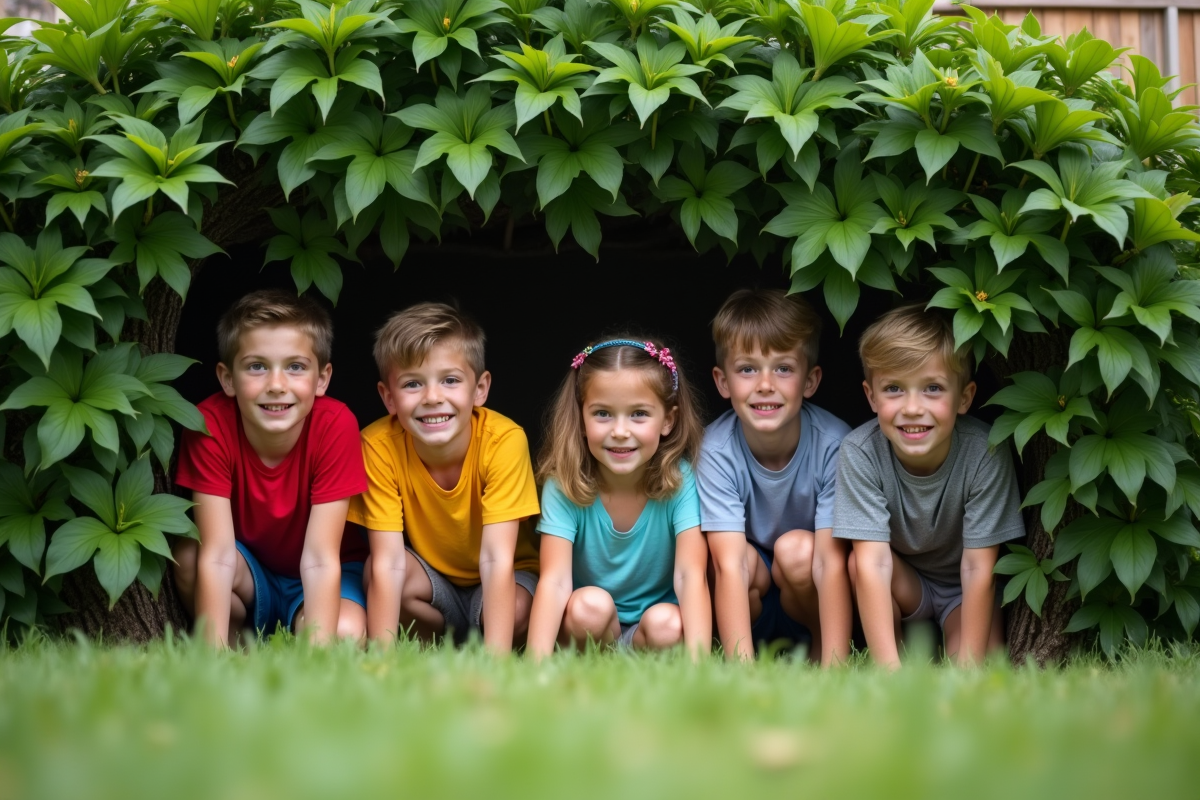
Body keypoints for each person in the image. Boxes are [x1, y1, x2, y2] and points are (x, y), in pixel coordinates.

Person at [174, 289, 368, 648]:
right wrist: (211, 655)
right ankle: (235, 648)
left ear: (322, 379)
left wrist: (318, 653)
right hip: (251, 572)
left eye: (295, 367)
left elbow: (322, 559)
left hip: (326, 573)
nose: (276, 386)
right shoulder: (209, 423)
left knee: (344, 636)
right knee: (189, 557)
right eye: (257, 366)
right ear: (227, 378)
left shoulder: (335, 425)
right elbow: (216, 554)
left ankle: (302, 639)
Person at [834, 304, 1025, 667]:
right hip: (907, 585)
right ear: (871, 396)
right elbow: (873, 563)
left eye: (932, 388)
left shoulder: (985, 453)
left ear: (965, 397)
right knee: (860, 566)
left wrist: (969, 667)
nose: (912, 408)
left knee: (980, 665)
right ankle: (895, 657)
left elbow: (978, 569)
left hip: (963, 590)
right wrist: (888, 673)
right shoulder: (860, 451)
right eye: (894, 389)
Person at [349, 302, 540, 654]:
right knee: (380, 568)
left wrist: (497, 664)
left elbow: (497, 558)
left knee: (516, 610)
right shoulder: (376, 445)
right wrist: (380, 659)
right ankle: (430, 648)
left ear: (480, 389)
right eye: (412, 384)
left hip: (505, 578)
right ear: (388, 397)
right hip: (433, 583)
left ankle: (489, 650)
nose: (433, 398)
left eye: (450, 380)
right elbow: (388, 560)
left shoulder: (503, 440)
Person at [527, 337, 711, 660]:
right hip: (589, 628)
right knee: (589, 607)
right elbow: (555, 581)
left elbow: (689, 576)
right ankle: (596, 668)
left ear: (668, 420)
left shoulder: (679, 480)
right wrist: (534, 663)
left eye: (639, 414)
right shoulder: (565, 482)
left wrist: (700, 665)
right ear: (581, 418)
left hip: (653, 630)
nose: (621, 431)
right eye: (603, 414)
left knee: (667, 624)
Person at [697, 289, 851, 663]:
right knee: (729, 559)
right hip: (750, 603)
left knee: (797, 550)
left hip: (809, 595)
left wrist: (836, 664)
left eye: (783, 368)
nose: (765, 384)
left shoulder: (836, 444)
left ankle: (818, 654)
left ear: (811, 381)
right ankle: (751, 655)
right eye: (747, 369)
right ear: (722, 382)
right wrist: (742, 670)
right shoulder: (714, 450)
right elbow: (728, 565)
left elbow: (831, 561)